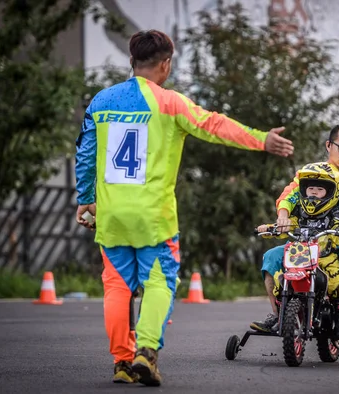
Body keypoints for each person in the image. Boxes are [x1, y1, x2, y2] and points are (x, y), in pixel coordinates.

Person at [74, 29, 294, 387]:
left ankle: (122, 362)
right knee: (160, 281)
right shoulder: (170, 102)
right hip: (154, 218)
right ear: (166, 64)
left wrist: (86, 199)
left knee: (116, 287)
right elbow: (213, 125)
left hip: (112, 215)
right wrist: (261, 140)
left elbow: (84, 153)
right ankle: (146, 350)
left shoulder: (101, 101)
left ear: (132, 61)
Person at [250, 123, 339, 337]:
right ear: (329, 145)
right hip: (307, 243)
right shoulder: (310, 173)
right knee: (271, 257)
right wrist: (282, 216)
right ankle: (278, 314)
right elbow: (289, 195)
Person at [256, 161, 339, 339]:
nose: (314, 193)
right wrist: (271, 228)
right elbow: (287, 226)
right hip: (299, 255)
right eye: (310, 189)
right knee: (281, 282)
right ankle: (281, 317)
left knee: (338, 284)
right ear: (304, 190)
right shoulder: (299, 212)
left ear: (331, 192)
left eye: (320, 189)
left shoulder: (334, 214)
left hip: (325, 257)